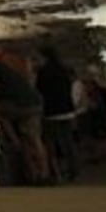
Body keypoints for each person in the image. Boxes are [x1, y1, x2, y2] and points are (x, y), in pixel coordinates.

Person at [0, 37, 49, 185]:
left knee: (2, 116)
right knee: (34, 139)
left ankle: (16, 145)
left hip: (17, 105)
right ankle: (43, 174)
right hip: (32, 102)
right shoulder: (13, 62)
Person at [36, 46, 80, 182]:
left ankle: (55, 171)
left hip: (52, 111)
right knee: (68, 141)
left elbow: (39, 91)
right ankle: (73, 169)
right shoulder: (63, 70)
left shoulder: (43, 72)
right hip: (67, 109)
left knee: (52, 143)